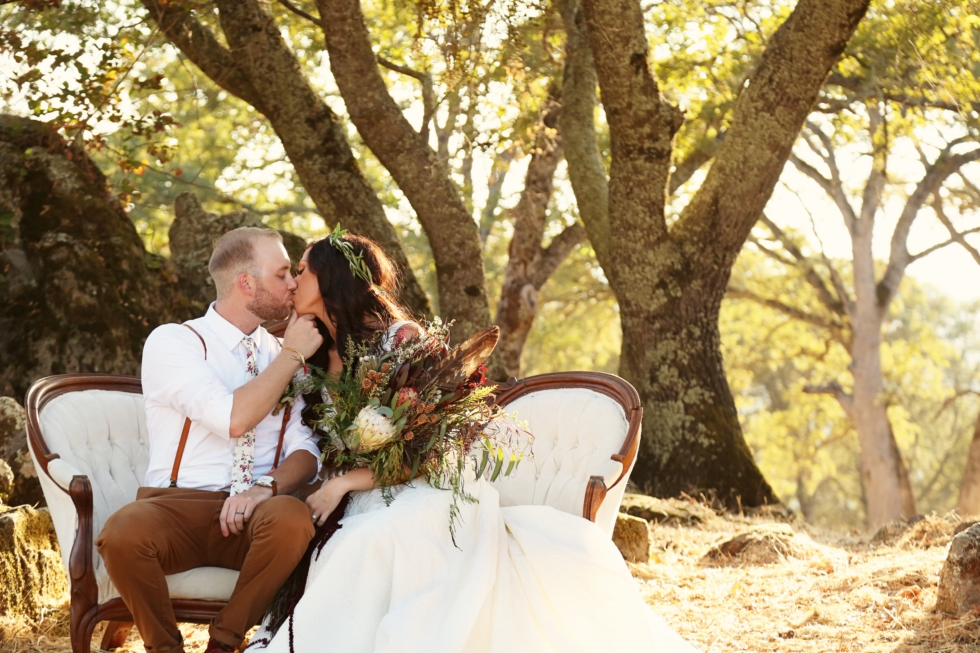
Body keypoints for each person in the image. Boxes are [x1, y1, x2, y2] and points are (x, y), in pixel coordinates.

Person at [247, 232, 701, 653]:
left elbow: (430, 449)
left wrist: (344, 483)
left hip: (421, 490)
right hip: (352, 495)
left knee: (372, 541)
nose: (292, 283)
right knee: (340, 539)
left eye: (301, 271)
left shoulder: (401, 342)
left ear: (331, 278)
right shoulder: (313, 352)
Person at [96, 227, 325, 653]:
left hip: (256, 511)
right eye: (282, 274)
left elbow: (307, 451)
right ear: (246, 283)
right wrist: (291, 357)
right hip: (175, 507)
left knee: (292, 519)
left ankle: (223, 643)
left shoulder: (287, 353)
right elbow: (232, 418)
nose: (293, 283)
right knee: (122, 534)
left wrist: (266, 488)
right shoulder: (176, 341)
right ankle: (164, 648)